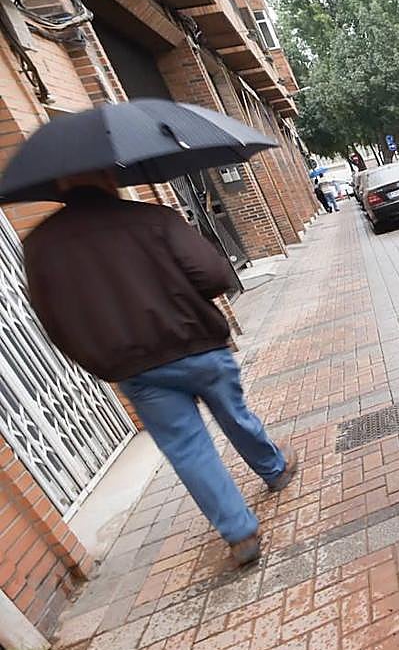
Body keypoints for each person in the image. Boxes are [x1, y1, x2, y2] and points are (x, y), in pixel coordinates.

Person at [22, 170, 297, 566]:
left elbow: (54, 322)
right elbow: (215, 276)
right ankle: (273, 469)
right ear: (106, 179)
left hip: (138, 368)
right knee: (234, 415)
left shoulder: (41, 246)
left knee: (188, 450)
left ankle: (239, 533)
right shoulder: (152, 218)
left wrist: (100, 362)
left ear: (59, 186)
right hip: (198, 346)